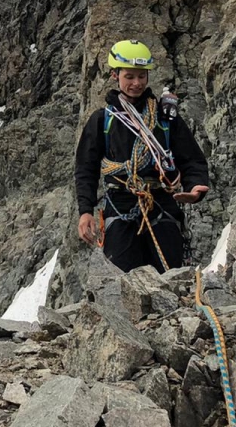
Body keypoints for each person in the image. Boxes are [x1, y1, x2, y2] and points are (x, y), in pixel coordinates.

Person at [74, 39, 210, 273]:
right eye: (129, 76)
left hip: (162, 202)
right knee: (123, 281)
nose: (136, 83)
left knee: (169, 277)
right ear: (115, 76)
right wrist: (85, 211)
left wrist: (196, 186)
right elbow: (86, 167)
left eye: (141, 76)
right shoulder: (103, 120)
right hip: (120, 203)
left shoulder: (165, 118)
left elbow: (191, 158)